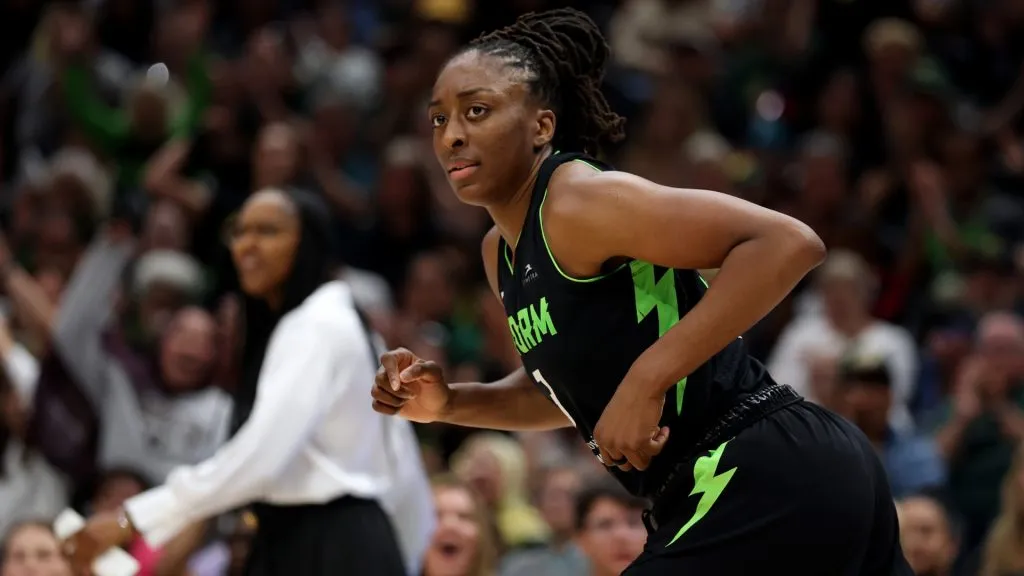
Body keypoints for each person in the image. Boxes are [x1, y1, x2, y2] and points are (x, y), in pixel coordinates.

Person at [372, 8, 912, 574]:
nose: (453, 134)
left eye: (477, 111)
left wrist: (647, 379)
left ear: (541, 126)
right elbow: (563, 396)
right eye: (439, 120)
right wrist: (452, 403)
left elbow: (788, 243)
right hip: (739, 481)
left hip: (758, 463)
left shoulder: (577, 199)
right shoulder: (498, 252)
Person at [67, 188, 434, 576]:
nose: (247, 246)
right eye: (240, 232)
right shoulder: (340, 323)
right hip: (323, 541)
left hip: (329, 545)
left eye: (268, 231)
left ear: (308, 242)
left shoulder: (318, 326)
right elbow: (404, 469)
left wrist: (134, 518)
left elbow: (260, 456)